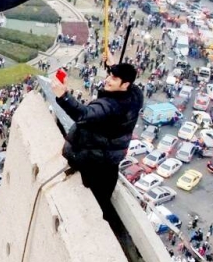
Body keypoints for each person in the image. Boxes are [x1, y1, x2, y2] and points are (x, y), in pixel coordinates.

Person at [49, 62, 144, 221]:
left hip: (93, 162)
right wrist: (114, 65)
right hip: (109, 163)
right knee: (102, 201)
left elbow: (83, 115)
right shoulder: (135, 96)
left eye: (114, 78)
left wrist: (63, 96)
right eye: (109, 75)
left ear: (125, 84)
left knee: (91, 207)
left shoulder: (109, 106)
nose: (107, 79)